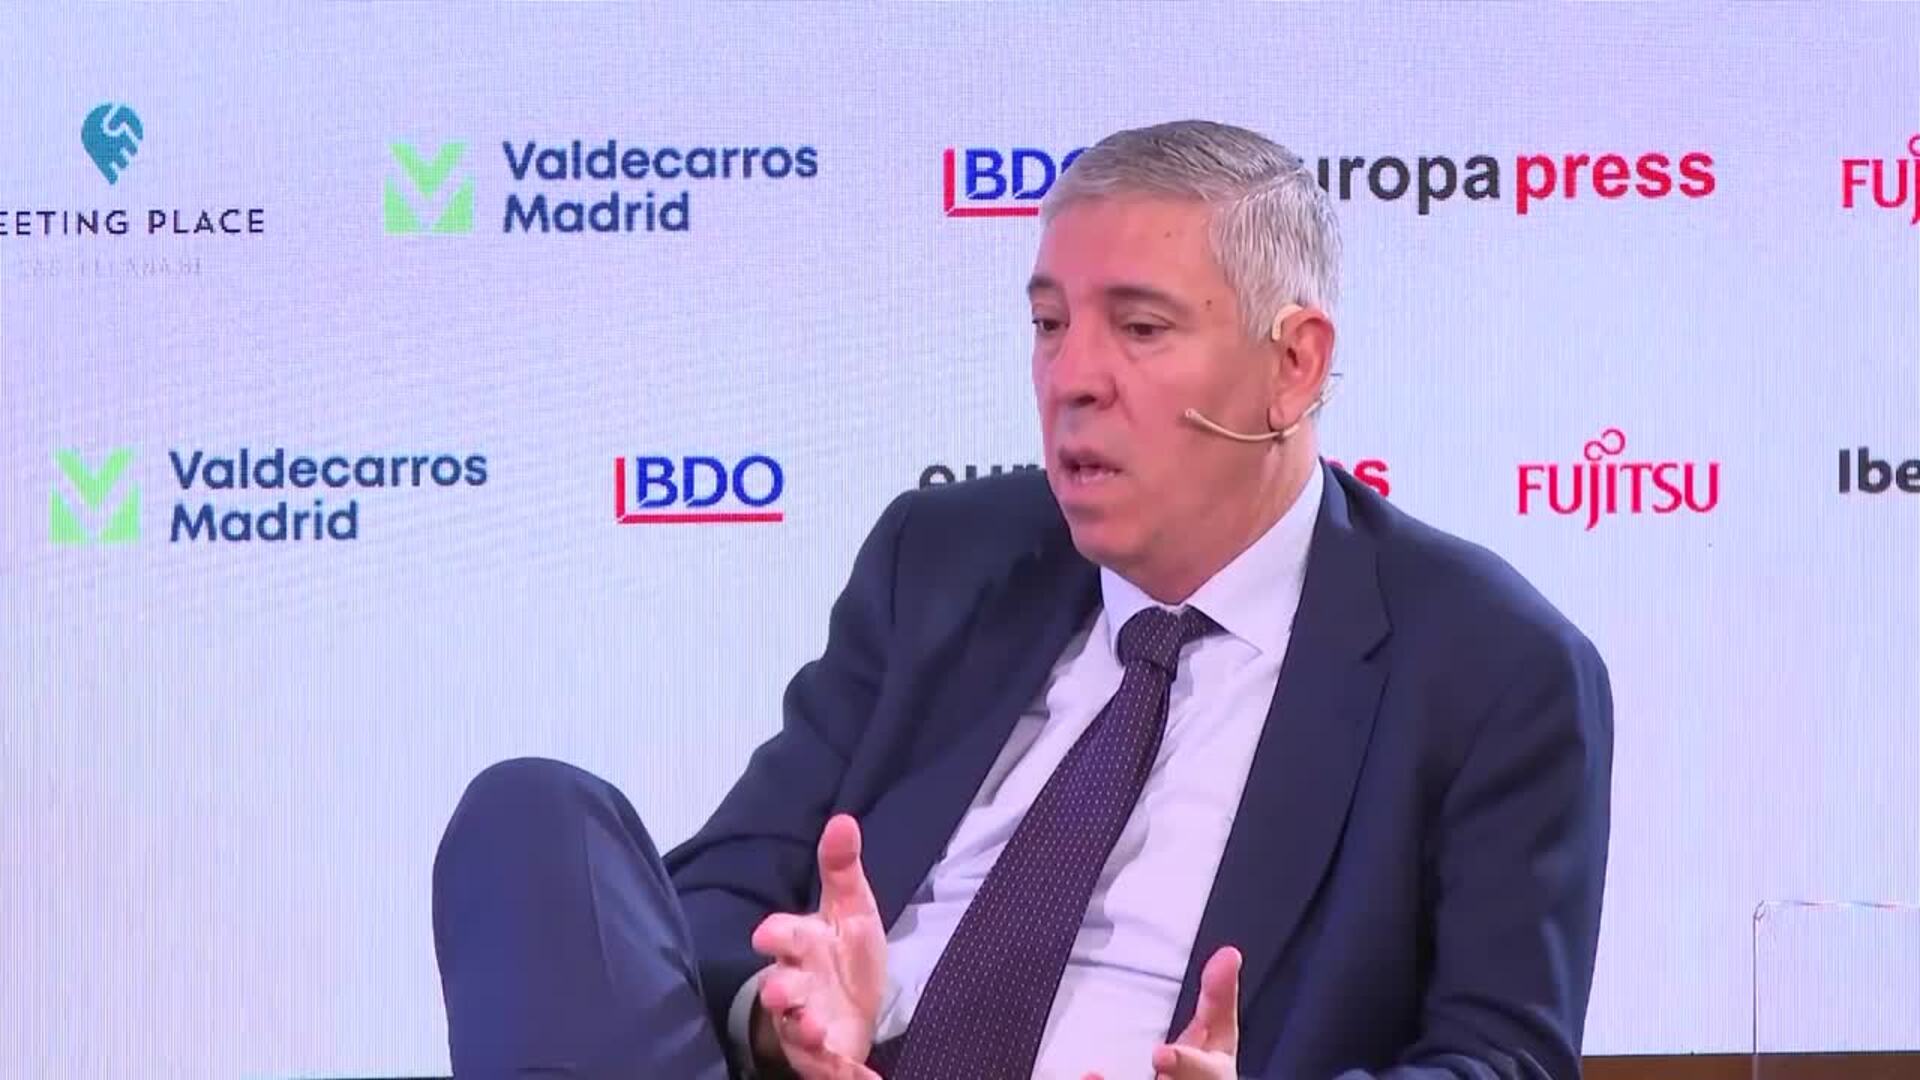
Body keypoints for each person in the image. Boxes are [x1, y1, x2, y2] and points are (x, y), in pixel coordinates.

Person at [431, 119, 1614, 1080]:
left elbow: (1502, 1059)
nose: (1071, 378)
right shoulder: (944, 561)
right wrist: (780, 1017)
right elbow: (715, 896)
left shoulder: (1488, 665)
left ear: (1293, 363)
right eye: (1049, 325)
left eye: (1139, 328)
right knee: (533, 817)